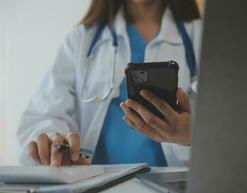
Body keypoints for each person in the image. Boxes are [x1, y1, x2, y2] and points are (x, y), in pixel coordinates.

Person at [17, 0, 202, 167]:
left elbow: (226, 133)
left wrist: (190, 136)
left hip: (173, 187)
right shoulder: (82, 39)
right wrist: (54, 141)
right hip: (95, 186)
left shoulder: (204, 36)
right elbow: (43, 114)